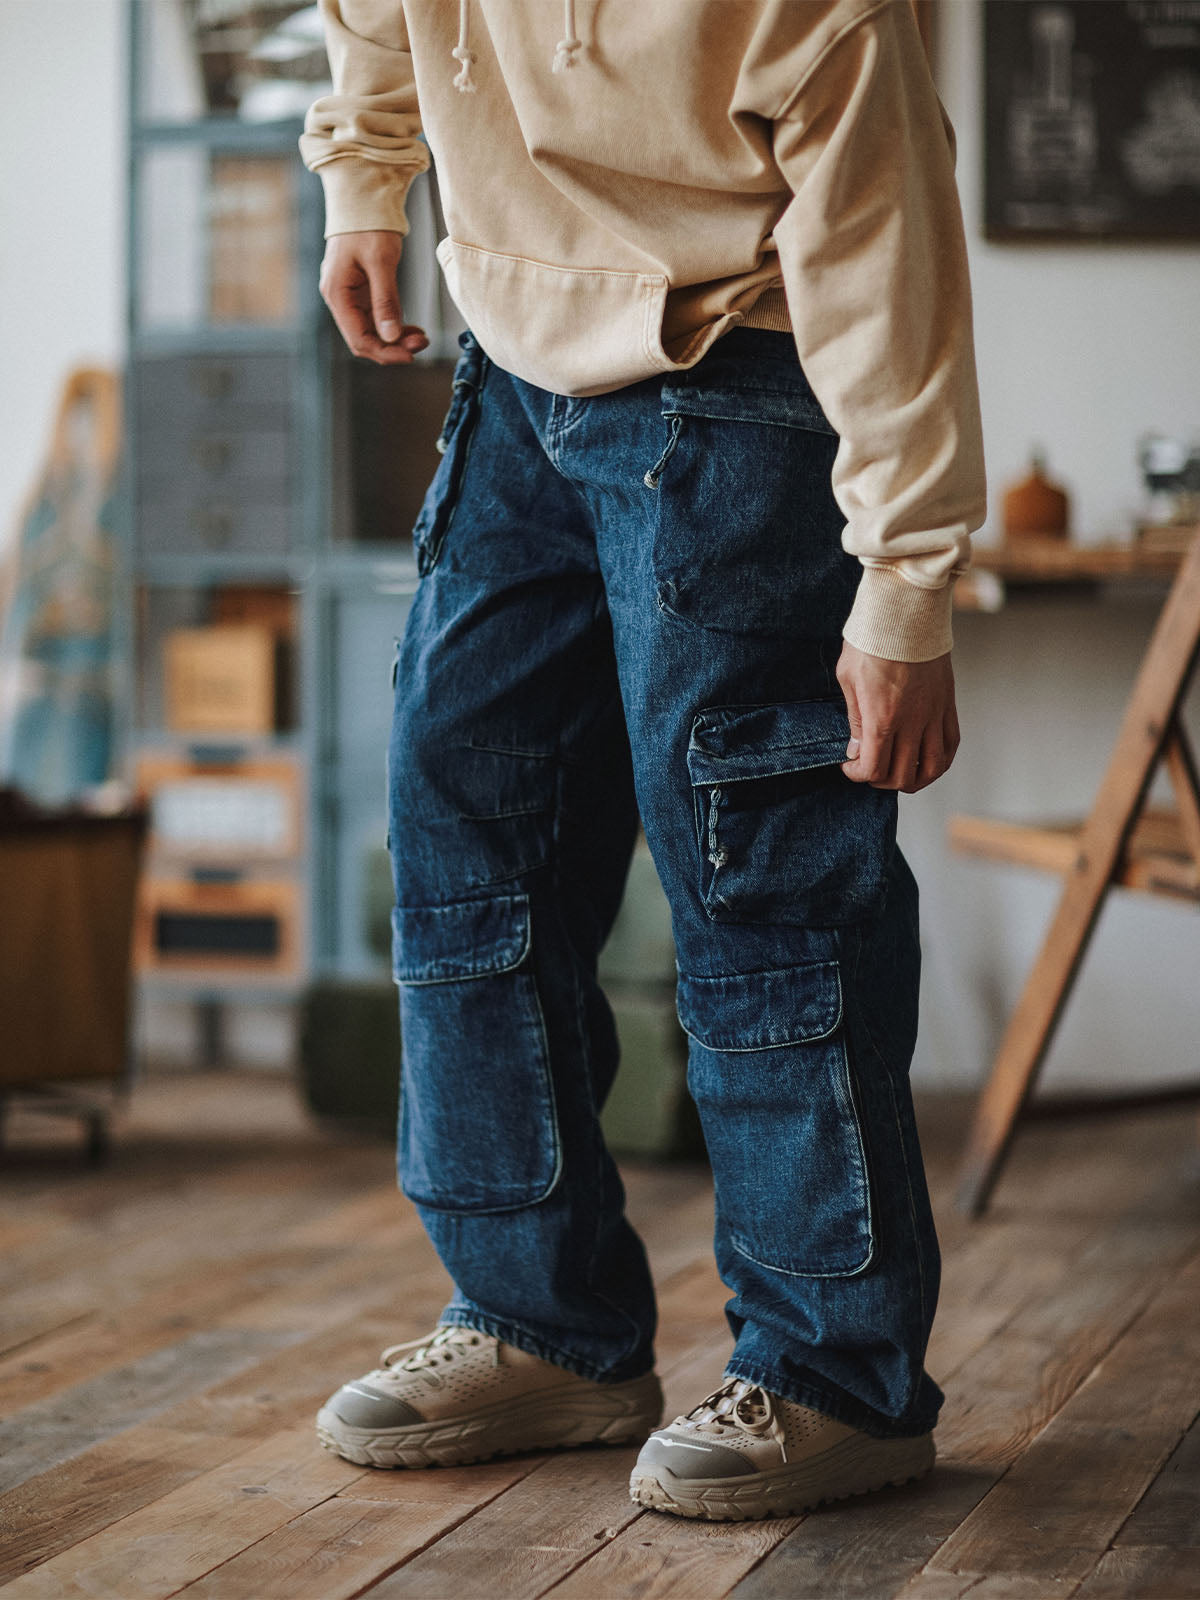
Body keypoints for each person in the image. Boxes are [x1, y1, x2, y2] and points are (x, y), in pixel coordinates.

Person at [299, 0, 985, 1523]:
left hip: (740, 377)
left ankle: (835, 1374)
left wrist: (907, 585)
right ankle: (542, 1327)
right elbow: (369, 18)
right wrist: (367, 179)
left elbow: (888, 256)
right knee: (465, 854)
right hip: (510, 393)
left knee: (765, 890)